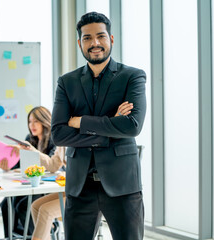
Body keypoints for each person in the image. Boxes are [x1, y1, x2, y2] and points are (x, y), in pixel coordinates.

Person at [51, 12, 146, 240]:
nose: (94, 43)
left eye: (100, 36)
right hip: (79, 185)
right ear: (79, 43)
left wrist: (80, 121)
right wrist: (110, 128)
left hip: (123, 185)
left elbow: (132, 126)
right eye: (87, 38)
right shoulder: (67, 82)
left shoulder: (132, 77)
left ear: (111, 39)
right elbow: (58, 134)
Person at [0, 106, 65, 238]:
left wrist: (32, 151)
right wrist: (8, 165)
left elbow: (52, 166)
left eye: (36, 121)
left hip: (48, 186)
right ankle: (10, 237)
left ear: (44, 121)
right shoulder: (30, 139)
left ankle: (38, 232)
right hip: (33, 184)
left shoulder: (54, 139)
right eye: (30, 122)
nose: (32, 125)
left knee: (24, 206)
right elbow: (21, 165)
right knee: (6, 203)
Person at [31, 170, 65, 240]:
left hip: (83, 192)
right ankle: (46, 234)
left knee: (45, 211)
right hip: (71, 188)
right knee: (35, 206)